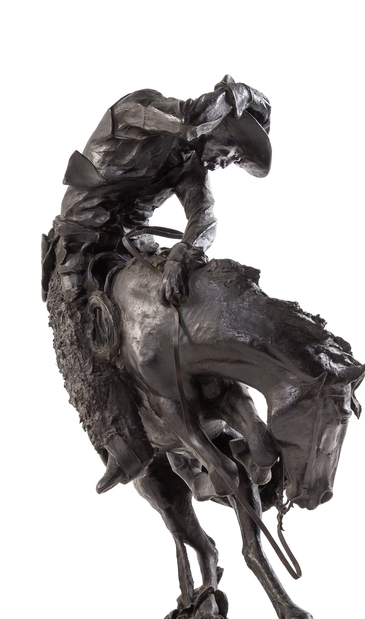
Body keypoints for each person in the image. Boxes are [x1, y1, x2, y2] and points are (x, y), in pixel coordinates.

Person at [42, 76, 272, 493]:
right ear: (217, 126)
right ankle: (120, 442)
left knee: (191, 295)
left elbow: (205, 216)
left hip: (135, 246)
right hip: (80, 248)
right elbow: (191, 118)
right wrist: (237, 96)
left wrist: (185, 254)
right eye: (232, 151)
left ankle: (220, 395)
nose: (227, 162)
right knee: (77, 333)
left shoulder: (188, 165)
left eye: (235, 158)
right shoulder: (139, 111)